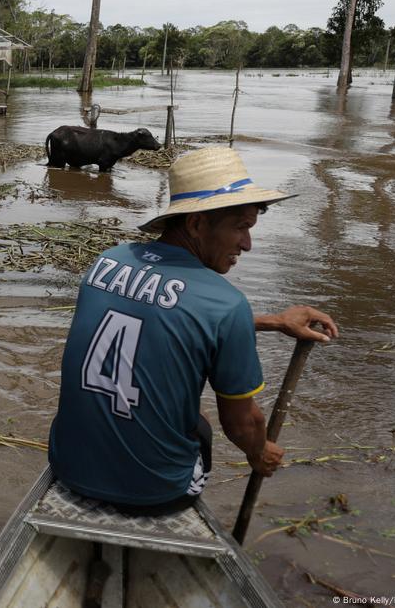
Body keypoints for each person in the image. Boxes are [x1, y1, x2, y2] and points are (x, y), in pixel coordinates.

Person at [47, 147, 339, 515]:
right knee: (199, 428)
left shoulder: (107, 262)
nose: (247, 244)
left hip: (67, 466)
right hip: (156, 492)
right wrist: (259, 451)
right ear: (198, 224)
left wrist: (275, 322)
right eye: (240, 227)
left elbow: (165, 315)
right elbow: (242, 424)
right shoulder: (225, 303)